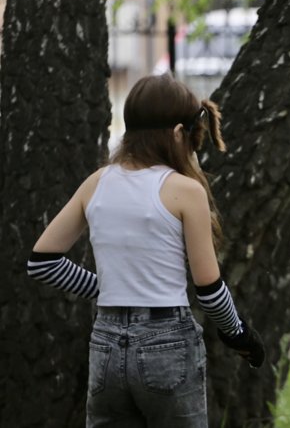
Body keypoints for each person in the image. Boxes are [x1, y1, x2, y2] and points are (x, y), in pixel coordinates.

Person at [27, 73, 265, 427]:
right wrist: (239, 334)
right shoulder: (185, 190)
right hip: (166, 343)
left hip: (105, 346)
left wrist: (109, 289)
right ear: (177, 133)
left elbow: (42, 262)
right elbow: (209, 288)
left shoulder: (97, 182)